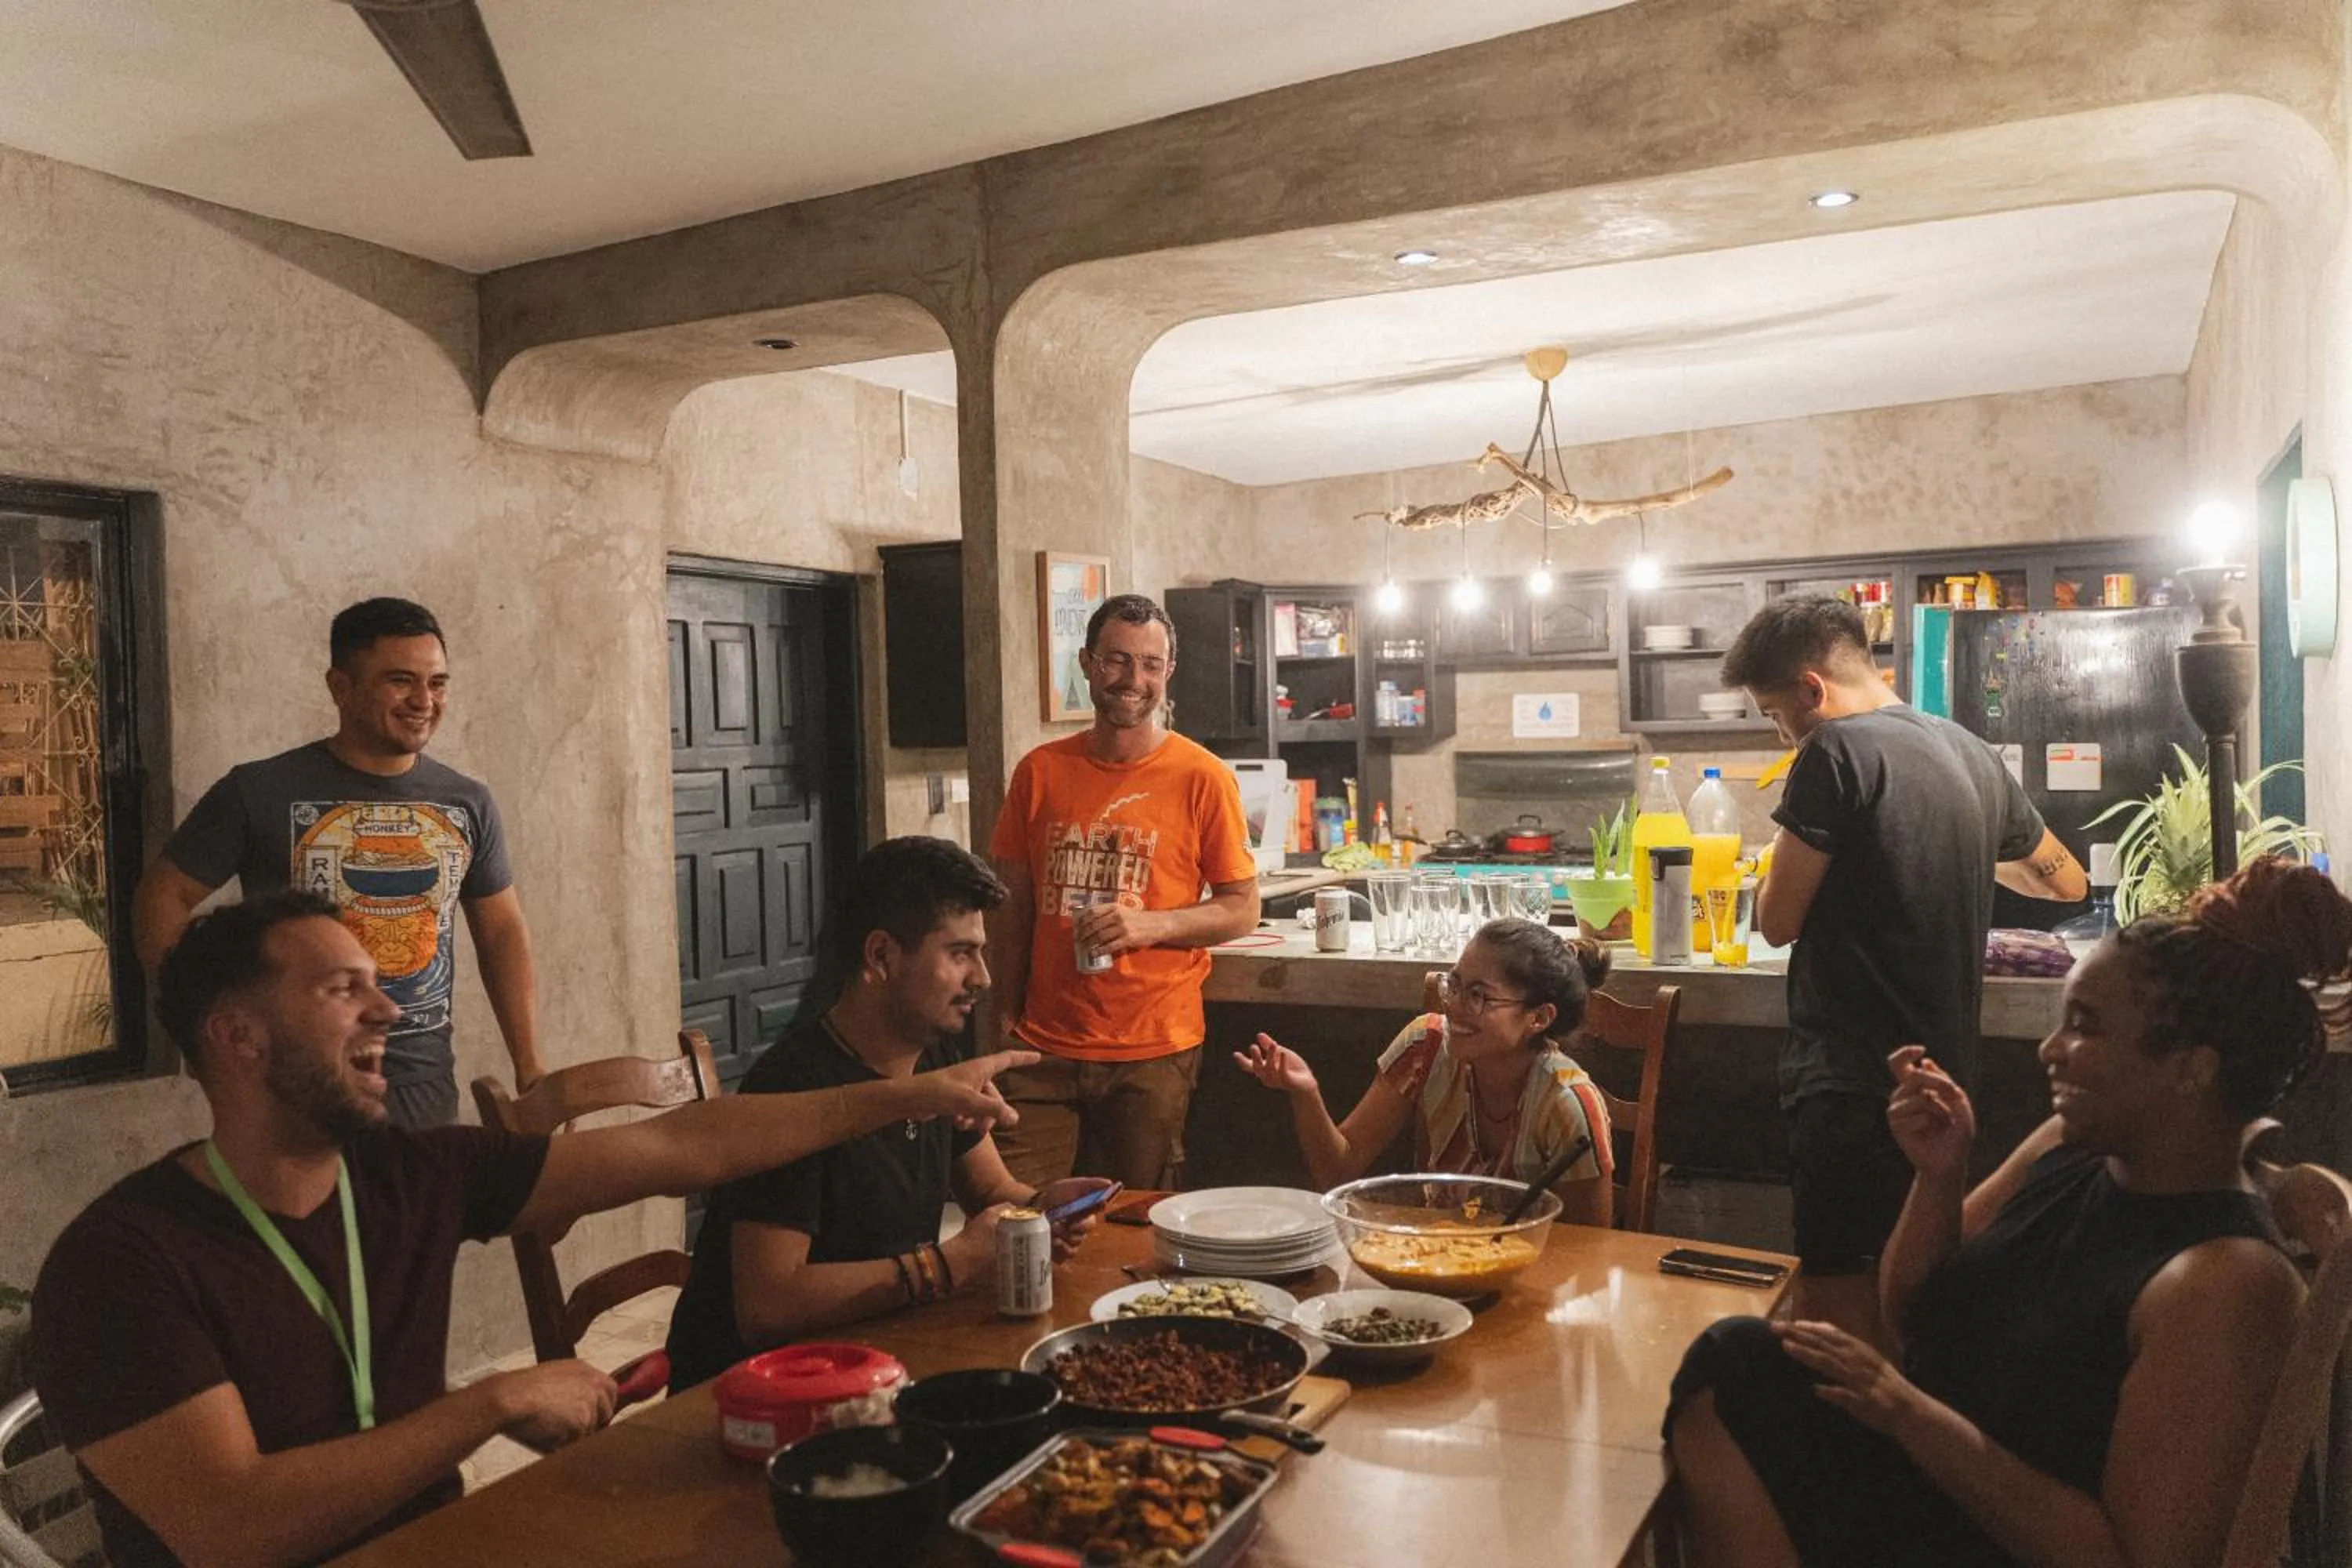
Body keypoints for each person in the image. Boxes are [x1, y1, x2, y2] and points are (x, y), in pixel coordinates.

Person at [28, 890, 1034, 1568]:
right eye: (342, 988)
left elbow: (688, 1147)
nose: (387, 1008)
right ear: (238, 1035)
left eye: (378, 982)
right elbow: (231, 1524)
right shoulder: (121, 1264)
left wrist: (904, 1092)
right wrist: (489, 1402)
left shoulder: (412, 1173)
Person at [1664, 856, 2347, 1568]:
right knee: (1737, 1367)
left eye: (2084, 1027)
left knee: (1734, 1376)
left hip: (1995, 1541)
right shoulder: (2072, 1150)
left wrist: (1908, 1413)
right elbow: (1910, 1310)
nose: (2051, 1051)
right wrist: (1939, 1173)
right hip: (1937, 1493)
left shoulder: (2226, 1281)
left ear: (2191, 1070)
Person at [1719, 595, 2087, 1333]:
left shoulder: (1832, 750)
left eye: (1772, 711)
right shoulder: (1969, 752)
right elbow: (2064, 880)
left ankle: (1841, 1451)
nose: (1779, 730)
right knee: (1916, 1305)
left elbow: (1777, 919)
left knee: (1837, 1313)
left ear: (1811, 691)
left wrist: (1769, 865)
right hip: (1944, 1087)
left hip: (1848, 1082)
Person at [663, 837, 1113, 1390]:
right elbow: (768, 1305)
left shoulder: (935, 1052)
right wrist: (945, 1266)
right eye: (960, 953)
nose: (984, 978)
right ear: (881, 956)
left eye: (981, 952)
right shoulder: (794, 1088)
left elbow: (991, 1188)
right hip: (755, 1396)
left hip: (877, 1359)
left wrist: (1040, 1208)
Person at [132, 597, 543, 1128]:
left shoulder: (468, 802)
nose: (424, 701)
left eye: (437, 683)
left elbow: (502, 932)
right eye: (401, 681)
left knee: (416, 1212)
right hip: (294, 1086)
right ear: (341, 687)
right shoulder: (257, 792)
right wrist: (199, 1024)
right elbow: (163, 895)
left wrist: (529, 1063)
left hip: (422, 1088)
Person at [987, 593, 1261, 1190]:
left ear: (1168, 673)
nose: (1132, 680)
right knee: (1013, 1219)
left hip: (1153, 1050)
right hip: (1040, 1050)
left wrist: (1151, 926)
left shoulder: (1202, 776)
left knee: (1133, 1227)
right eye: (1116, 660)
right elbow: (1012, 903)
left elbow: (1244, 907)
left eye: (1149, 664)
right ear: (1086, 663)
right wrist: (1000, 1015)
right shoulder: (1039, 771)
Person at [1235, 917, 1616, 1225]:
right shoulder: (1427, 1045)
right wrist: (1305, 1092)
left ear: (1539, 1017)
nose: (1454, 1006)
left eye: (1479, 996)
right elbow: (1338, 1171)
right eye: (1456, 984)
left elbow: (1591, 1251)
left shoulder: (1568, 1103)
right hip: (1433, 1260)